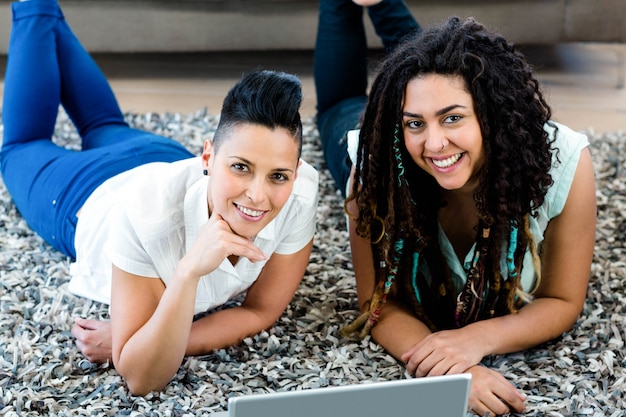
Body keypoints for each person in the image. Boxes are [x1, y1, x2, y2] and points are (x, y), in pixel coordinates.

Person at [1, 0, 319, 396]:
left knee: (105, 124)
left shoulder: (301, 190)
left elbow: (260, 310)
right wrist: (187, 273)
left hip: (159, 156)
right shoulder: (146, 216)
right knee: (20, 146)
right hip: (85, 192)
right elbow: (141, 377)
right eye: (240, 167)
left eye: (278, 175)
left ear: (295, 168)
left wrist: (159, 335)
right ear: (208, 155)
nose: (258, 195)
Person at [314, 1, 596, 416]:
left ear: (491, 114)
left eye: (453, 118)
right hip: (392, 165)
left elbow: (562, 300)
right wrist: (450, 372)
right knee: (339, 108)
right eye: (414, 123)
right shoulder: (375, 166)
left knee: (433, 68)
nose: (433, 144)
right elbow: (378, 305)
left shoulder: (564, 163)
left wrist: (475, 339)